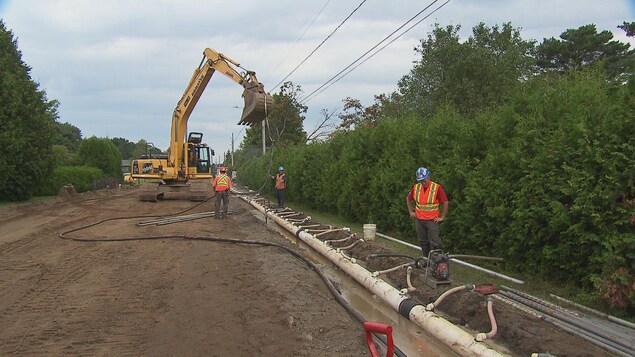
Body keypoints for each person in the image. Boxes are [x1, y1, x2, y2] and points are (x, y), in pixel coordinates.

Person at [406, 167, 449, 259]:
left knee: (435, 241)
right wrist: (410, 211)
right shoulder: (416, 187)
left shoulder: (436, 188)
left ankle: (438, 260)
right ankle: (426, 259)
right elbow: (408, 198)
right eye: (421, 181)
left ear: (428, 177)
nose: (423, 183)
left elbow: (445, 201)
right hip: (419, 219)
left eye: (424, 180)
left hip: (432, 220)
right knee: (423, 240)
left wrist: (442, 216)